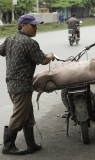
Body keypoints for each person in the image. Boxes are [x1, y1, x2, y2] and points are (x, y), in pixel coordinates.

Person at [0, 14, 55, 155]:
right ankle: (8, 146)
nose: (36, 28)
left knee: (28, 115)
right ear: (23, 26)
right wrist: (50, 55)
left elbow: (1, 51)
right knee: (19, 115)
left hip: (12, 84)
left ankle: (31, 145)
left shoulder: (10, 39)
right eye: (33, 25)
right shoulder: (29, 43)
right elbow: (42, 60)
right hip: (22, 86)